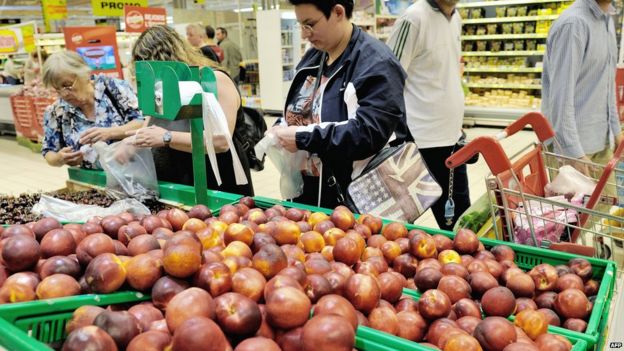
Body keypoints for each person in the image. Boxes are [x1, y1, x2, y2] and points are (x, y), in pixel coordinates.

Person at [271, 0, 412, 208]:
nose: (304, 34)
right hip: (310, 192)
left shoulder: (376, 63)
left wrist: (303, 138)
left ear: (338, 12)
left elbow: (368, 133)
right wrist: (281, 126)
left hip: (356, 200)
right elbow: (302, 106)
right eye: (300, 25)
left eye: (309, 24)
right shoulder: (314, 57)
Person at [130, 25, 254, 196]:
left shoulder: (215, 80)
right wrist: (130, 143)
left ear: (165, 58)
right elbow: (150, 126)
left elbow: (221, 141)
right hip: (184, 176)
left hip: (218, 176)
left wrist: (166, 137)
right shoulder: (162, 85)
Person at [385, 0, 469, 230]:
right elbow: (388, 77)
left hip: (451, 137)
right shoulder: (414, 19)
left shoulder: (456, 18)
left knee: (461, 224)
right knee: (399, 227)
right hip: (421, 143)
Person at [542, 0, 622, 166]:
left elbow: (607, 84)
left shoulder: (607, 19)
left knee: (608, 193)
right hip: (573, 149)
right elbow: (560, 99)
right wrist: (573, 153)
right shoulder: (573, 24)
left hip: (602, 141)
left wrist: (616, 130)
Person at [41, 51, 143, 168]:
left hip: (131, 174)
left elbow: (142, 122)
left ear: (85, 74)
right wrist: (60, 158)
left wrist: (110, 133)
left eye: (67, 85)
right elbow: (48, 151)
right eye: (57, 89)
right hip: (90, 181)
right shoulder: (57, 111)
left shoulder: (114, 88)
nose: (64, 94)